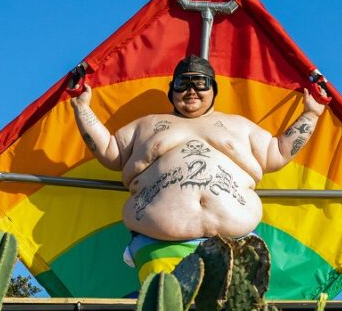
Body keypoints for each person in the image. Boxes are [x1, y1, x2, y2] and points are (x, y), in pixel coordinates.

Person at [71, 55, 327, 281]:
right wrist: (82, 109)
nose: (191, 90)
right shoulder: (146, 126)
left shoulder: (239, 126)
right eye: (183, 83)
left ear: (214, 89)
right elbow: (109, 152)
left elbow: (278, 152)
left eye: (200, 82)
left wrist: (311, 114)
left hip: (236, 245)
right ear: (171, 90)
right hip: (159, 245)